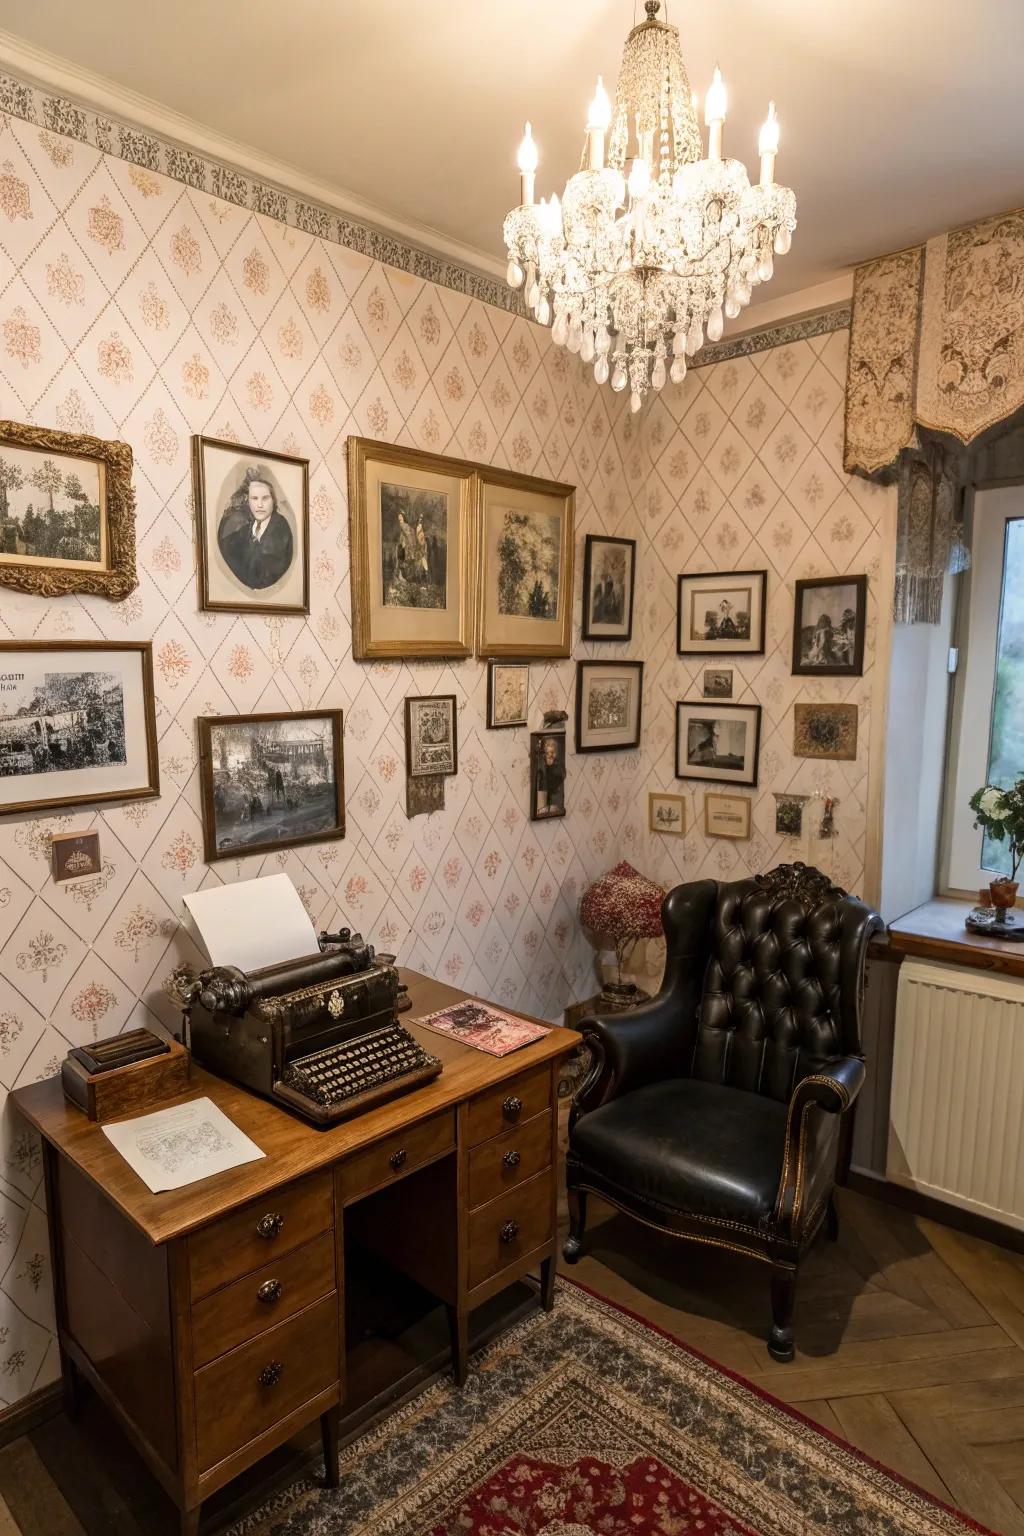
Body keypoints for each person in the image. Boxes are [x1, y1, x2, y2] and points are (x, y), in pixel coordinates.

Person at [218, 468, 293, 590]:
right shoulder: (247, 527)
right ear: (248, 501)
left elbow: (261, 577)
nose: (260, 505)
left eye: (265, 498)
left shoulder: (280, 527)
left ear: (273, 501)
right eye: (254, 498)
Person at [536, 735, 565, 816]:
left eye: (552, 752)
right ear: (544, 754)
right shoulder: (541, 766)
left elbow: (559, 783)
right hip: (543, 799)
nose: (550, 755)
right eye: (547, 753)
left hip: (556, 799)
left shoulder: (559, 767)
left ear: (556, 753)